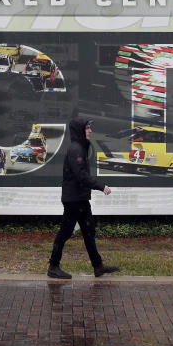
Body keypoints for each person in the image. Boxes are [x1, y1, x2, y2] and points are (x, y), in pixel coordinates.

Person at [47, 118, 119, 279]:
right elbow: (81, 176)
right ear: (80, 130)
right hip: (73, 200)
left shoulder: (80, 147)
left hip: (80, 199)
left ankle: (98, 267)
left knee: (89, 231)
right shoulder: (76, 150)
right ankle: (53, 266)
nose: (90, 131)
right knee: (65, 233)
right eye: (87, 128)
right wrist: (101, 186)